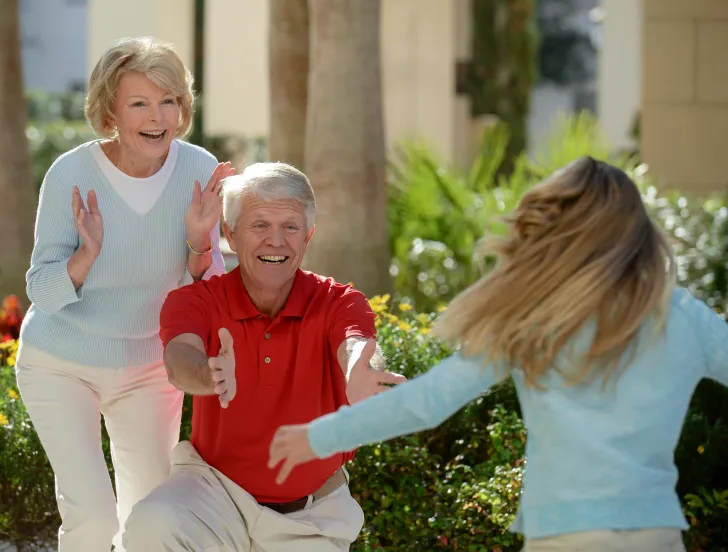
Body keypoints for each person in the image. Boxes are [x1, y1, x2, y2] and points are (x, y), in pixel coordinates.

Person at [269, 156, 728, 552]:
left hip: (562, 534)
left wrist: (321, 436)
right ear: (636, 231)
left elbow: (428, 402)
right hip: (654, 533)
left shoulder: (535, 318)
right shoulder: (682, 316)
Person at [16, 36, 232, 552]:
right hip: (61, 363)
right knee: (91, 519)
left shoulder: (200, 170)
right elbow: (41, 292)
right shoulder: (71, 173)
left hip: (148, 369)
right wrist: (83, 259)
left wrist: (200, 243)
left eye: (169, 101)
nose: (157, 117)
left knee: (150, 518)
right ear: (110, 110)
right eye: (139, 103)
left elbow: (209, 291)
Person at [122, 162, 407, 552]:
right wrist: (208, 374)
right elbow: (180, 357)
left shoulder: (339, 302)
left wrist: (361, 371)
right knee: (153, 524)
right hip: (214, 495)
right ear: (230, 234)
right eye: (259, 225)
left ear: (308, 236)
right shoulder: (197, 300)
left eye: (290, 226)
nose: (276, 240)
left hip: (312, 518)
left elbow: (356, 345)